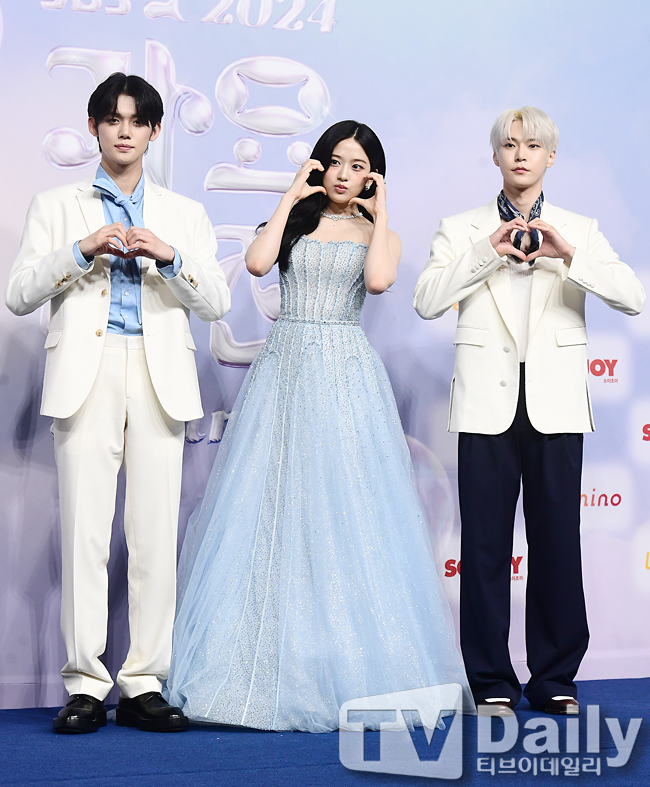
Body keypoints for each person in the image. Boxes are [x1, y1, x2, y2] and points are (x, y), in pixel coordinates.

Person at [165, 120, 474, 732]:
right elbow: (256, 262)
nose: (343, 174)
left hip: (344, 373)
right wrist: (290, 196)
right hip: (284, 368)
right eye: (334, 161)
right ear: (318, 164)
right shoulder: (295, 220)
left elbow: (379, 281)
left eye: (357, 166)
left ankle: (341, 662)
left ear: (372, 175)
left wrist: (379, 213)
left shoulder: (380, 233)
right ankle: (260, 662)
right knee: (272, 508)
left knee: (343, 512)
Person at [5, 73, 231, 733]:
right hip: (87, 370)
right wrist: (81, 249)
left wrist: (170, 255)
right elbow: (19, 293)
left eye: (136, 120)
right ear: (94, 127)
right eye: (112, 118)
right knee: (84, 531)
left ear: (155, 131)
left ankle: (143, 683)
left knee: (155, 534)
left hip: (160, 373)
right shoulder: (56, 204)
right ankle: (83, 684)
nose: (124, 130)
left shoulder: (184, 212)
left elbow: (216, 302)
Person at [413, 106, 645, 717]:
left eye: (533, 144)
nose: (521, 153)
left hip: (556, 404)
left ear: (550, 157)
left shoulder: (580, 229)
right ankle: (490, 679)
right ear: (495, 155)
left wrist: (570, 256)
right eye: (510, 144)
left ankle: (555, 678)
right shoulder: (461, 228)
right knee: (484, 547)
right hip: (484, 405)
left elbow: (633, 297)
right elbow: (427, 301)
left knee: (556, 543)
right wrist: (486, 252)